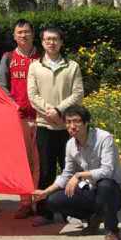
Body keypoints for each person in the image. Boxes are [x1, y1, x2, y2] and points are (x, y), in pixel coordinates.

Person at [32, 105, 121, 240]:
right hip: (92, 190)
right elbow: (66, 174)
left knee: (105, 185)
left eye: (76, 121)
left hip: (115, 193)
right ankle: (93, 219)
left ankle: (112, 232)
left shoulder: (104, 138)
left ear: (86, 122)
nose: (72, 126)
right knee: (53, 200)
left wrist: (79, 175)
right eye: (68, 122)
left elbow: (107, 171)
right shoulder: (70, 144)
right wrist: (46, 192)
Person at [27, 25, 84, 225]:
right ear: (42, 42)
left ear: (61, 42)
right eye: (47, 39)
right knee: (45, 171)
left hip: (68, 127)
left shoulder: (72, 66)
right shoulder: (35, 67)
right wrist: (48, 111)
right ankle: (45, 212)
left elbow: (78, 93)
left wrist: (59, 110)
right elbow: (32, 95)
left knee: (71, 169)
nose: (51, 42)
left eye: (55, 39)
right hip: (44, 125)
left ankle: (72, 211)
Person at [0, 18, 41, 219]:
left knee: (40, 161)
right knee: (23, 162)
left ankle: (38, 201)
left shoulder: (42, 57)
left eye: (27, 32)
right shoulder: (8, 57)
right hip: (19, 117)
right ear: (14, 36)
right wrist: (12, 104)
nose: (23, 35)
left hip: (42, 117)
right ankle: (25, 202)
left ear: (33, 34)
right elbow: (2, 85)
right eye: (19, 32)